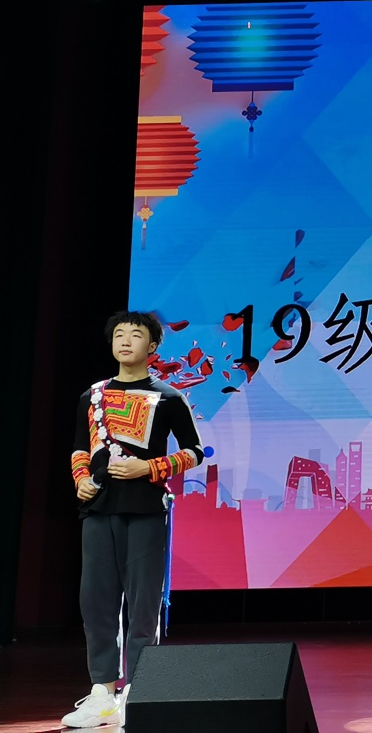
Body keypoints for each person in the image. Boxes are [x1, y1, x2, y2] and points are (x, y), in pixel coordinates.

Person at [63, 311, 204, 729]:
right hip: (98, 509)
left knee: (143, 606)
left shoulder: (169, 397)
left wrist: (149, 468)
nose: (125, 341)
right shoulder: (93, 396)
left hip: (145, 509)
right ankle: (102, 692)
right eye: (119, 335)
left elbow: (194, 452)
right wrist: (81, 479)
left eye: (136, 335)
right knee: (96, 602)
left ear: (153, 346)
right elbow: (80, 448)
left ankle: (138, 691)